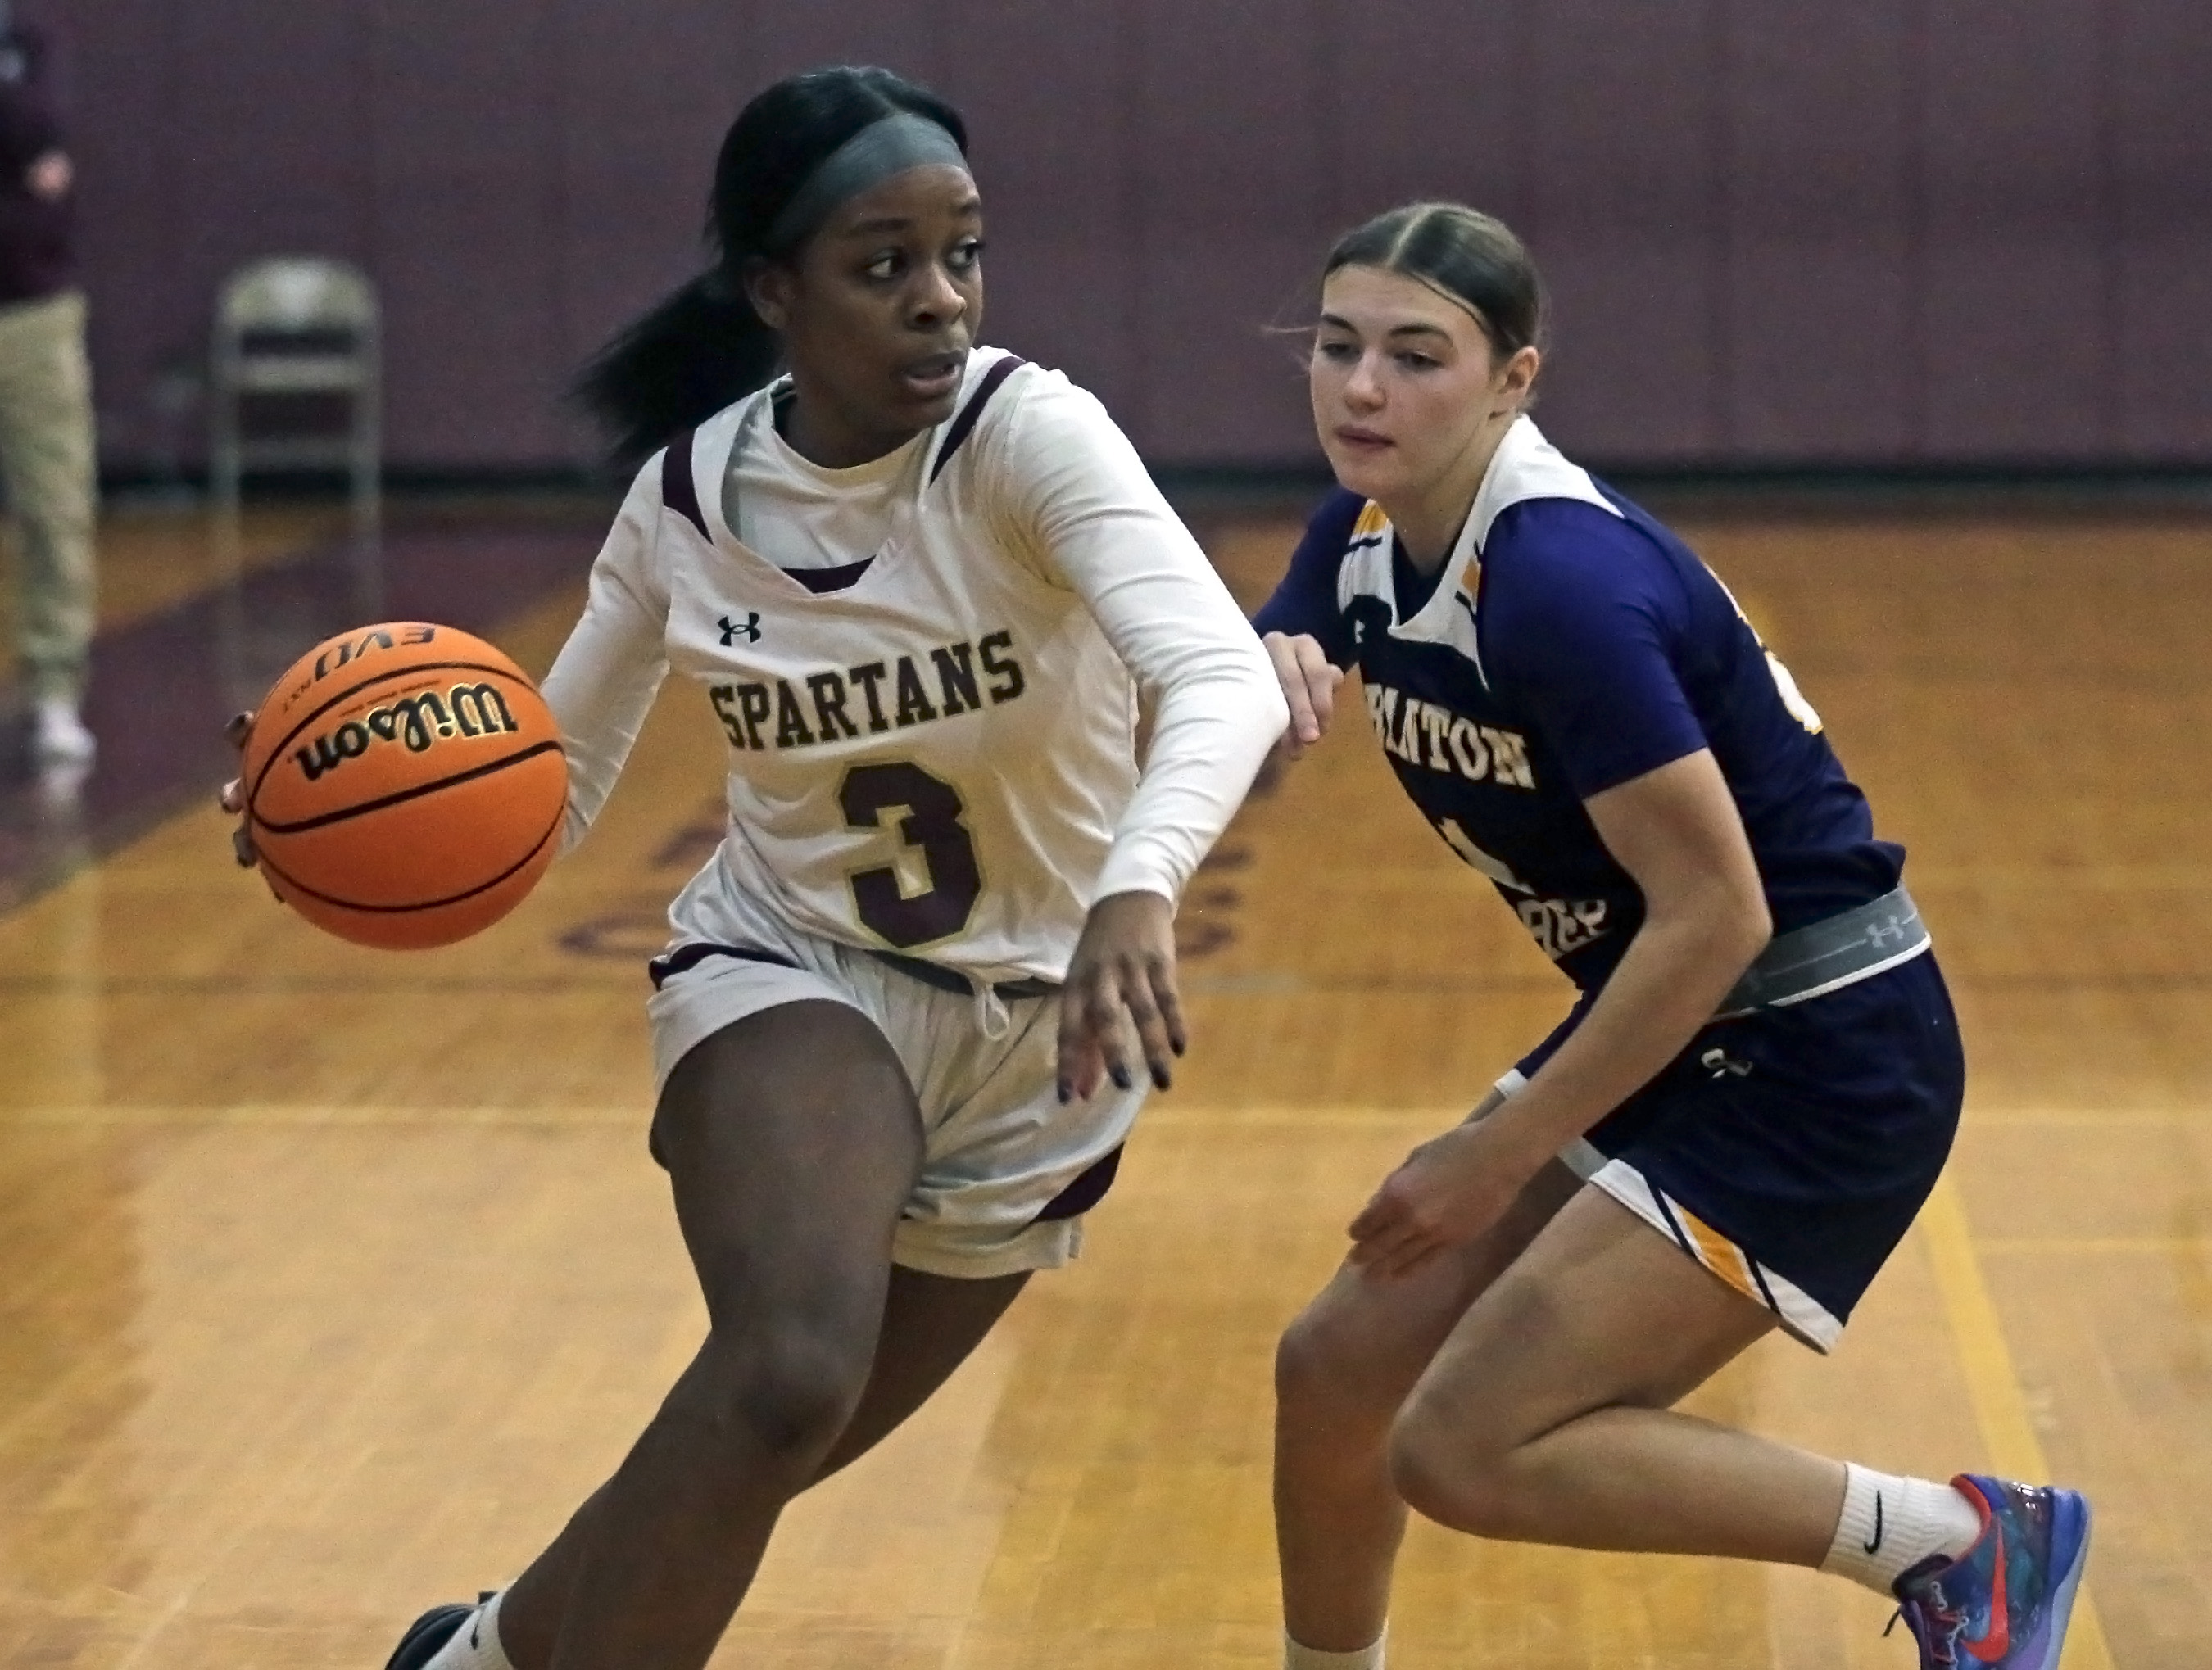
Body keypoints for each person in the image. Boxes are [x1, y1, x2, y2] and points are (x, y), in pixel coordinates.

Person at [226, 64, 1285, 1670]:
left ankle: (481, 1652)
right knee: (787, 1369)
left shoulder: (1028, 435)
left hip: (1042, 1039)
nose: (940, 302)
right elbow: (548, 787)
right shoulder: (687, 499)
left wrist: (1139, 879)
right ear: (771, 291)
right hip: (801, 970)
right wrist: (341, 809)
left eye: (964, 254)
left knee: (763, 1445)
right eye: (885, 266)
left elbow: (1219, 670)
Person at [1253, 202, 2091, 1670]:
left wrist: (1492, 1153)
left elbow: (1720, 909)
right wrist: (1236, 674)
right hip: (1681, 1022)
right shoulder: (1365, 535)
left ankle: (1964, 1540)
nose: (1363, 388)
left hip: (1822, 1051)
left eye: (1416, 354)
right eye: (1337, 347)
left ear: (1514, 378)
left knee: (1464, 1445)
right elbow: (1263, 699)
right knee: (1338, 1369)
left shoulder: (1565, 587)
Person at [0, 0, 97, 765]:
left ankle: (55, 692)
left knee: (54, 505)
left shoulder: (30, 41)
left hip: (32, 310)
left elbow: (44, 138)